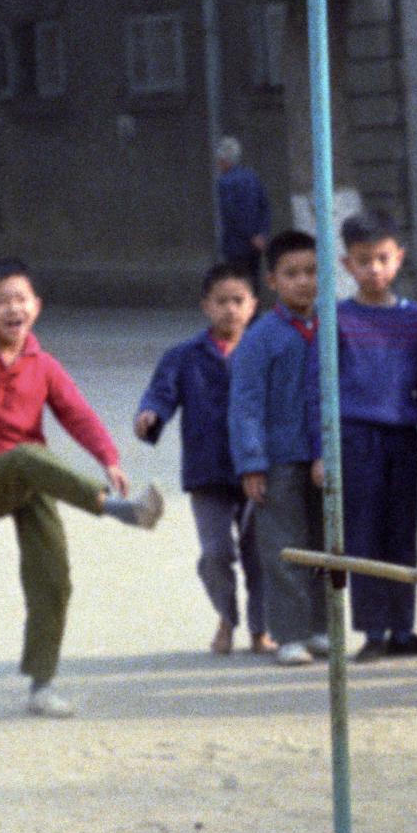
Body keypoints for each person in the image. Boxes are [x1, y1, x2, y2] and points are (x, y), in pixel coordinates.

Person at [0, 258, 165, 718]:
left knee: (52, 579)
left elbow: (77, 414)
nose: (12, 308)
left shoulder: (45, 365)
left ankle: (42, 685)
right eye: (0, 301)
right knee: (25, 454)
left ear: (36, 306)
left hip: (35, 481)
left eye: (21, 299)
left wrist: (109, 458)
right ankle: (118, 510)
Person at [135, 260, 265, 655]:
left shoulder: (264, 348)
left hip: (258, 467)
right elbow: (161, 394)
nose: (230, 309)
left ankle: (261, 628)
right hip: (207, 469)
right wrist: (150, 416)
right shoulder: (185, 356)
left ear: (253, 305)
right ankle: (227, 616)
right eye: (221, 301)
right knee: (215, 553)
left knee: (259, 552)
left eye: (238, 300)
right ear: (205, 306)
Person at [336, 210, 417, 658]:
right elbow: (318, 387)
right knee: (364, 534)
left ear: (398, 258)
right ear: (347, 265)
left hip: (402, 438)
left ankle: (403, 629)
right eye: (363, 260)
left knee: (403, 533)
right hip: (356, 437)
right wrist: (325, 450)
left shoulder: (415, 319)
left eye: (382, 258)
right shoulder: (337, 317)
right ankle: (373, 632)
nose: (374, 269)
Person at [231, 230, 329, 665]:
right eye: (292, 274)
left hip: (325, 455)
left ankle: (325, 628)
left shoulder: (332, 327)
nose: (304, 282)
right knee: (284, 546)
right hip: (278, 458)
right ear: (272, 280)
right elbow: (245, 405)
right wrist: (252, 462)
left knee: (327, 545)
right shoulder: (260, 337)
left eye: (311, 271)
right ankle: (290, 633)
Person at [212, 137, 272, 277]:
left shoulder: (225, 182)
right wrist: (261, 234)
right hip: (255, 244)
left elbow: (231, 213)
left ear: (224, 160)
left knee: (237, 284)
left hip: (236, 244)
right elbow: (265, 206)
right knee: (254, 282)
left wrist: (250, 235)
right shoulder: (252, 177)